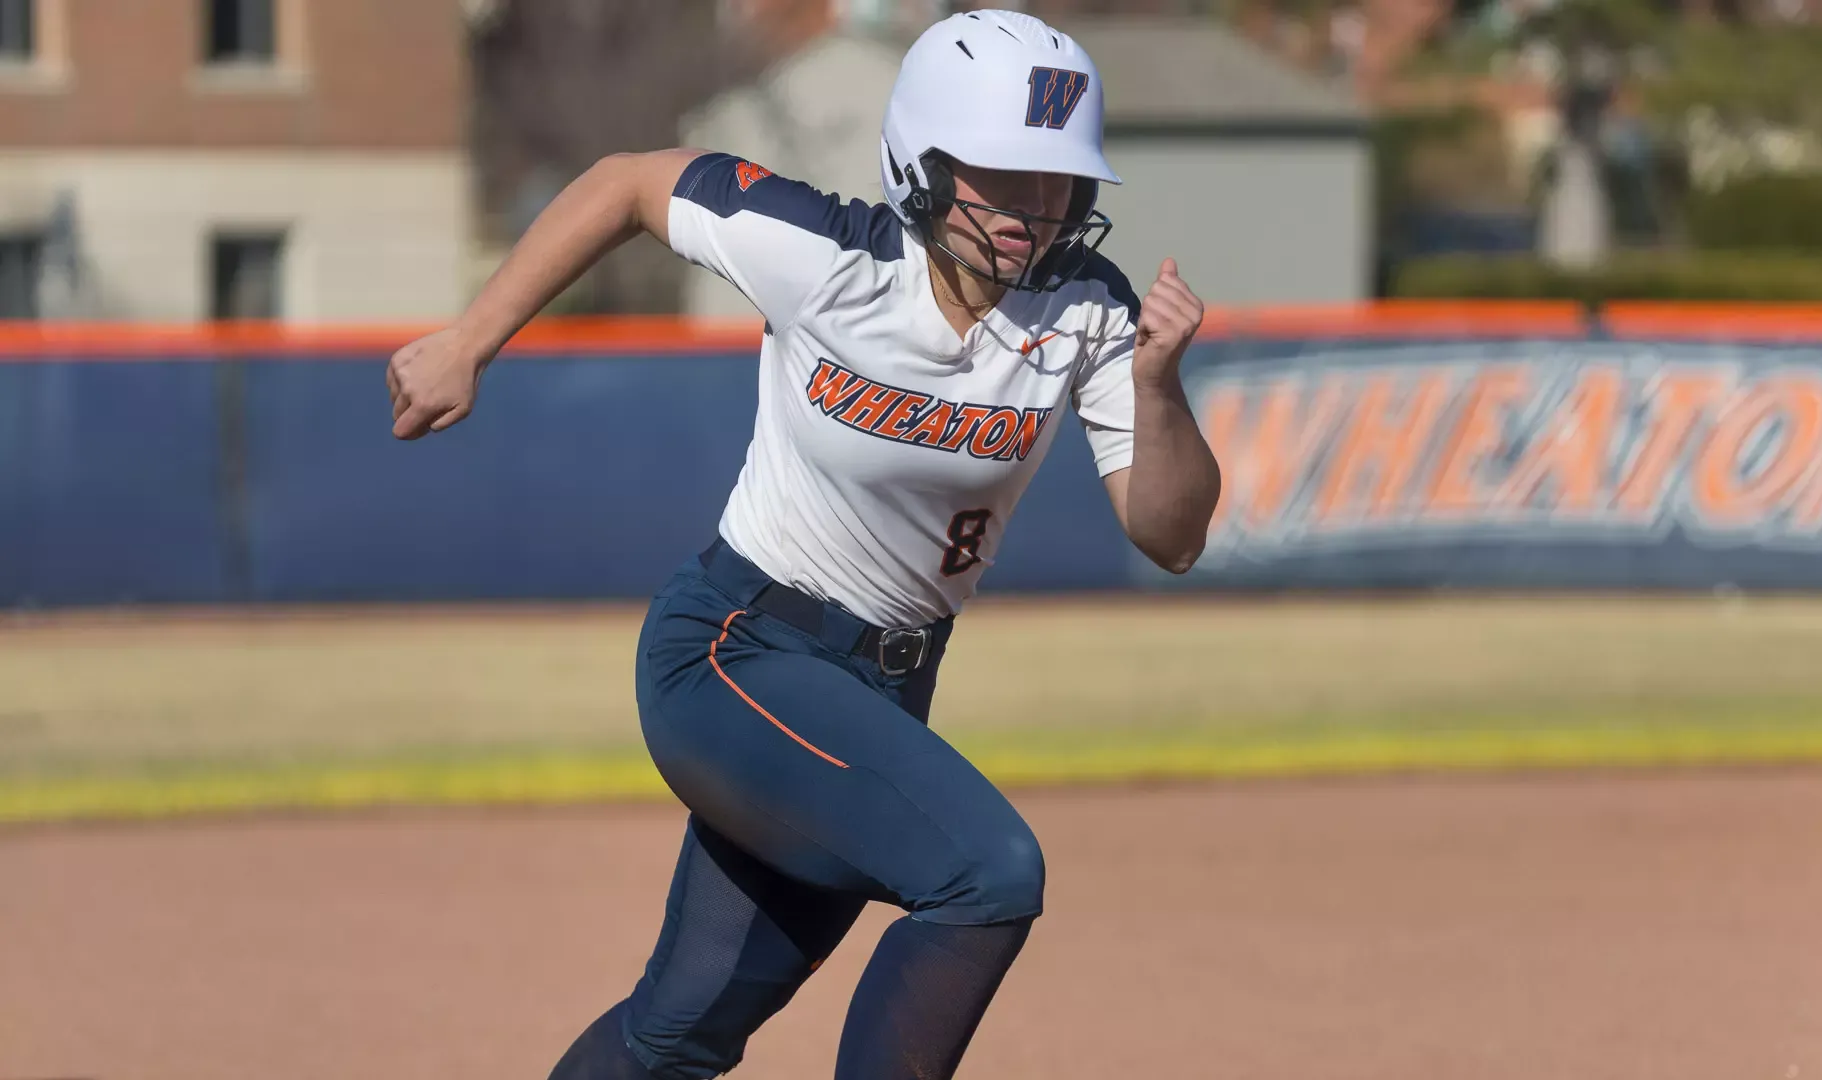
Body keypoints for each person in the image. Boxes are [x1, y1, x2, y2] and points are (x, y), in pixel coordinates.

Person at [385, 10, 1220, 1079]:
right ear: (923, 161)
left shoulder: (1087, 312)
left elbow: (1172, 536)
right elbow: (630, 183)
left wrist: (1157, 389)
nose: (1036, 208)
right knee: (988, 872)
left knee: (680, 1034)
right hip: (736, 656)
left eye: (1058, 180)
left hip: (877, 700)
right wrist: (468, 341)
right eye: (1003, 175)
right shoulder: (828, 255)